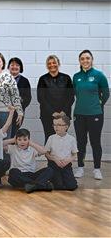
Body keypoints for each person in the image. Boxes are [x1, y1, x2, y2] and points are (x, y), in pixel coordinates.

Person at [72, 50, 109, 180]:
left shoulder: (99, 75)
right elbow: (76, 94)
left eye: (87, 58)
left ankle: (97, 169)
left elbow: (106, 94)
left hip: (95, 114)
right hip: (79, 114)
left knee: (95, 142)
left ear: (92, 60)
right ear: (79, 61)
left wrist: (98, 104)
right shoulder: (76, 76)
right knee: (81, 142)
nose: (85, 61)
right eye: (82, 59)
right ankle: (80, 167)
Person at [36, 55, 75, 142]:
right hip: (47, 115)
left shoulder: (67, 78)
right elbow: (41, 98)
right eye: (49, 63)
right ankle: (50, 156)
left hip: (64, 115)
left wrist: (63, 112)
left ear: (58, 64)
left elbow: (71, 97)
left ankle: (62, 156)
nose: (52, 65)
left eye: (54, 62)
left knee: (62, 138)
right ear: (47, 66)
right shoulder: (43, 79)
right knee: (49, 138)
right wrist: (52, 112)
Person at [4, 129, 53, 193]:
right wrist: (12, 140)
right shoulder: (13, 148)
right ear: (16, 140)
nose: (22, 142)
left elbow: (44, 151)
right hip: (19, 175)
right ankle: (40, 185)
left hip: (31, 174)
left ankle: (32, 185)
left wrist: (31, 143)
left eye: (25, 139)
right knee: (13, 172)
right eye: (19, 139)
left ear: (28, 140)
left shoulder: (32, 149)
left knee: (49, 170)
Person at [44, 113, 78, 191]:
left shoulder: (71, 139)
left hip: (66, 164)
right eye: (54, 125)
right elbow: (46, 154)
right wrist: (54, 159)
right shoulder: (51, 138)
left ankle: (64, 180)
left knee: (72, 186)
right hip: (54, 165)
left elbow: (74, 154)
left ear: (66, 126)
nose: (56, 127)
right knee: (58, 186)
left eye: (59, 125)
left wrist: (68, 160)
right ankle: (54, 180)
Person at [7, 57, 32, 139]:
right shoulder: (3, 79)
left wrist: (18, 105)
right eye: (12, 65)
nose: (14, 67)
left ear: (20, 67)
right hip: (4, 112)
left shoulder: (25, 81)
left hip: (17, 113)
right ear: (8, 67)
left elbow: (28, 98)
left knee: (13, 135)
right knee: (4, 134)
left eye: (17, 65)